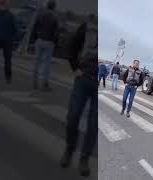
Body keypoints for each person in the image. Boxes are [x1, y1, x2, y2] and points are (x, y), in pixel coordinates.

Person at [60, 14, 97, 177]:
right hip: (83, 79)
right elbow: (72, 47)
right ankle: (69, 149)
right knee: (73, 116)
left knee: (93, 125)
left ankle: (84, 159)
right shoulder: (88, 26)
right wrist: (75, 68)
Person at [0, 0, 19, 84]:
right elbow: (16, 29)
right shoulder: (11, 15)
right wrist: (15, 39)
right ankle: (8, 78)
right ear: (5, 5)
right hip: (7, 40)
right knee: (8, 60)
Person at [32, 0, 59, 91]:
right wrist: (55, 42)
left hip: (40, 40)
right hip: (49, 42)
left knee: (37, 61)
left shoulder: (41, 15)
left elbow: (35, 27)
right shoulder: (55, 17)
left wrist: (36, 38)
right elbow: (56, 32)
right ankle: (44, 83)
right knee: (46, 64)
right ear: (54, 7)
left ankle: (34, 82)